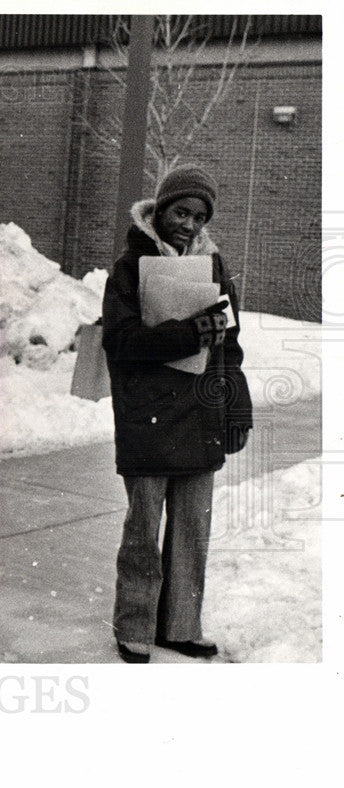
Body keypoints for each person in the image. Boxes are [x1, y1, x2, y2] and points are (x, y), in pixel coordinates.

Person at [101, 164, 253, 664]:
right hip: (148, 412)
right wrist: (190, 333)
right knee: (144, 530)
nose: (188, 224)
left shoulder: (213, 265)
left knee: (192, 530)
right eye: (180, 212)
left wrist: (237, 406)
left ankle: (181, 627)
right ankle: (136, 627)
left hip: (201, 414)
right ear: (161, 209)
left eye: (198, 216)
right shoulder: (130, 266)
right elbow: (119, 342)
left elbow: (229, 345)